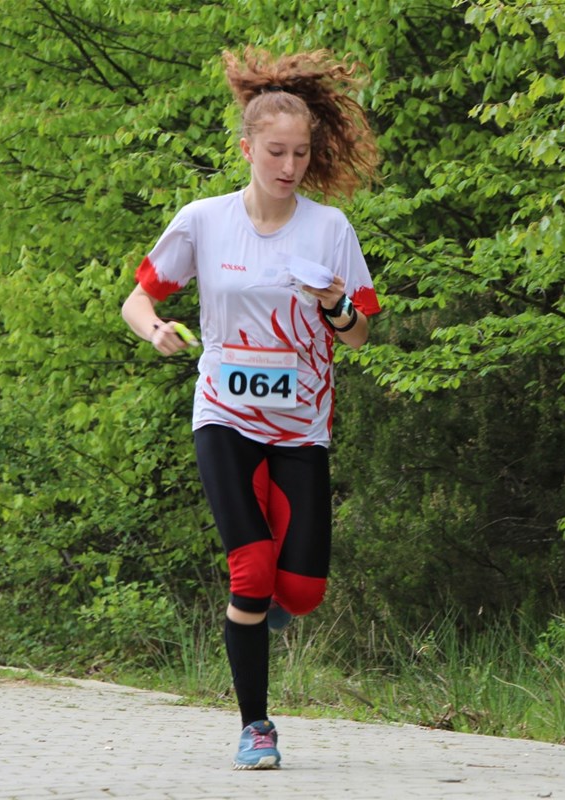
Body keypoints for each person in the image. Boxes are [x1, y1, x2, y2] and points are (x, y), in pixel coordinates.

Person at [120, 47, 381, 770]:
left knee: (301, 590)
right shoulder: (204, 221)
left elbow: (360, 334)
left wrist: (335, 306)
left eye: (301, 153)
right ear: (246, 150)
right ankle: (256, 727)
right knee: (252, 570)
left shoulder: (330, 229)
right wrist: (156, 330)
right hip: (224, 416)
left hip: (301, 427)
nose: (289, 166)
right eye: (275, 152)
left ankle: (270, 599)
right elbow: (137, 299)